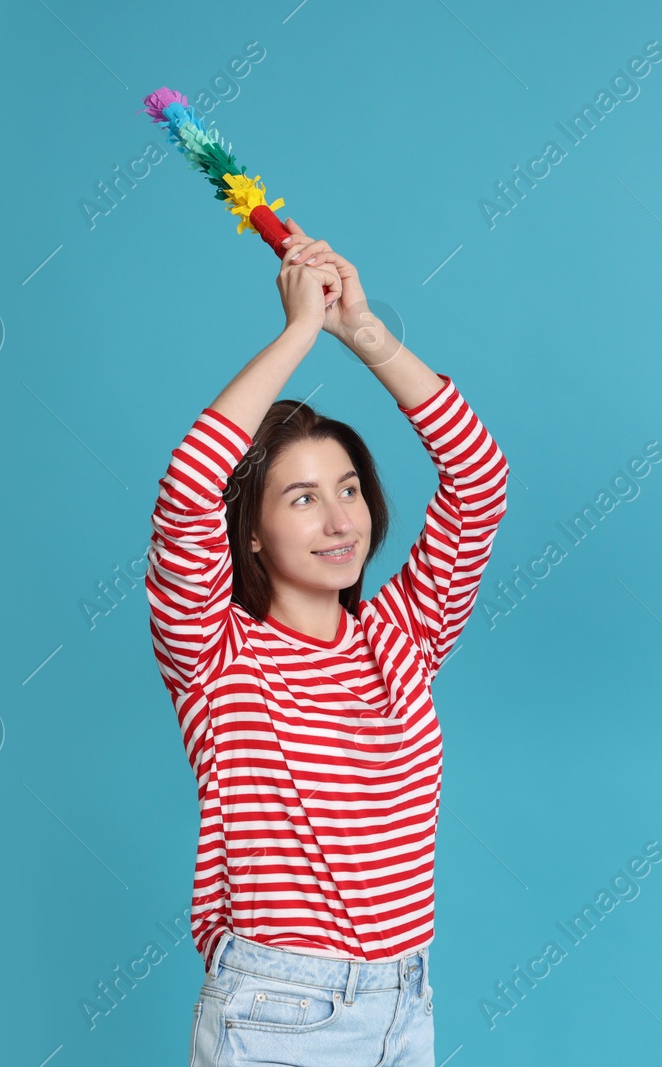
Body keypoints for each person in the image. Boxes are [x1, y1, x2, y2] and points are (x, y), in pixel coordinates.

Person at [146, 218, 509, 1066]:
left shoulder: (401, 636)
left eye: (348, 487)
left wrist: (361, 330)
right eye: (302, 498)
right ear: (255, 534)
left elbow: (479, 479)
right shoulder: (214, 654)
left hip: (404, 1002)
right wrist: (299, 333)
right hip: (277, 1007)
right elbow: (188, 493)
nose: (341, 517)